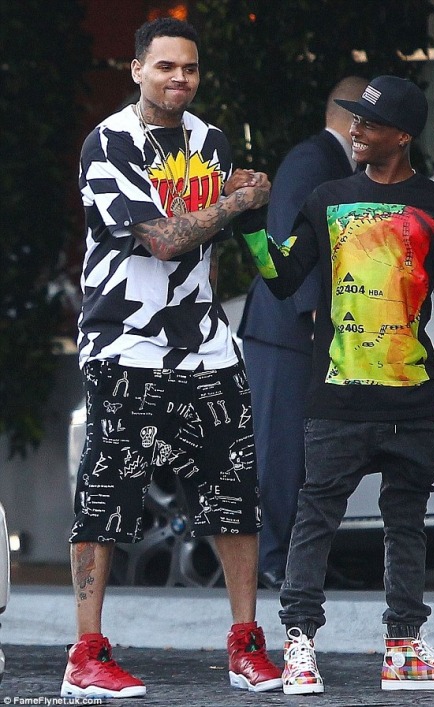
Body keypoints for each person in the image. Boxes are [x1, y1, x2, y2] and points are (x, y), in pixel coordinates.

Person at [61, 17, 281, 700]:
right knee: (106, 494)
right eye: (165, 67)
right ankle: (86, 655)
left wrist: (239, 202)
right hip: (125, 343)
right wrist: (237, 200)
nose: (179, 79)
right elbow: (159, 238)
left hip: (207, 346)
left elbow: (218, 240)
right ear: (136, 70)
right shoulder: (110, 143)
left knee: (233, 495)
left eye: (189, 68)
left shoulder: (211, 142)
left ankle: (246, 644)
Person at [239, 76, 434, 694]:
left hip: (412, 399)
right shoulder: (325, 197)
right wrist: (246, 224)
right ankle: (298, 647)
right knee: (314, 519)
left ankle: (404, 649)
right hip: (337, 398)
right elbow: (286, 278)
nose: (355, 130)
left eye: (368, 124)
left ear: (402, 136)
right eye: (352, 120)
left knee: (407, 525)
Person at [238, 76, 368, 591]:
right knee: (281, 448)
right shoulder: (314, 158)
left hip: (301, 329)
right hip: (287, 329)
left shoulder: (330, 162)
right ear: (353, 119)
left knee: (312, 454)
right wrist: (315, 315)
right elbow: (287, 233)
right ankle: (272, 557)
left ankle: (301, 560)